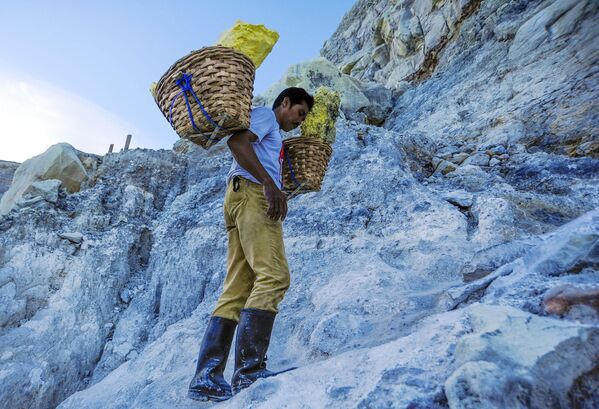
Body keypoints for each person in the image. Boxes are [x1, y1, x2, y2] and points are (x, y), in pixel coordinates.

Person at [187, 87, 314, 402]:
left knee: (238, 287)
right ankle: (249, 372)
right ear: (285, 102)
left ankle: (207, 378)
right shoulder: (265, 117)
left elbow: (253, 153)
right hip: (252, 194)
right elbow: (237, 142)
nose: (299, 122)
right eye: (299, 113)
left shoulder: (272, 132)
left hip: (238, 196)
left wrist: (278, 183)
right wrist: (269, 184)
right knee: (275, 275)